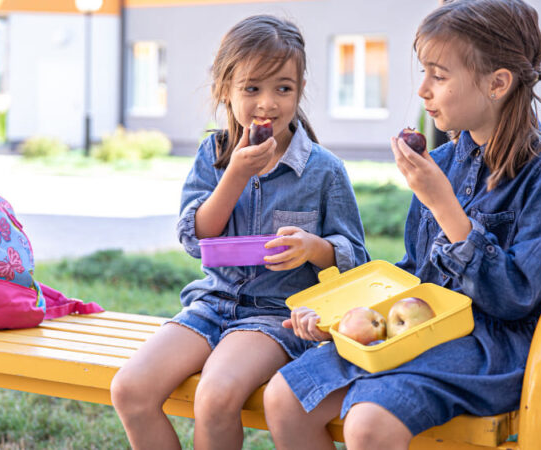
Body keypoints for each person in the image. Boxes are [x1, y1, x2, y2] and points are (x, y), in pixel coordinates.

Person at [263, 1, 541, 449]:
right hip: (420, 328)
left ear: (498, 83)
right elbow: (414, 273)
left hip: (499, 348)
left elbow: (516, 297)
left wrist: (445, 206)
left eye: (439, 76)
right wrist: (346, 318)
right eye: (423, 72)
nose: (422, 90)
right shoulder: (440, 163)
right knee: (286, 398)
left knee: (369, 424)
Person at [110, 14, 369, 450]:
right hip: (212, 304)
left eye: (283, 88)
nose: (268, 103)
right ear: (225, 91)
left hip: (275, 315)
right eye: (252, 88)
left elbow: (354, 257)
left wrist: (312, 247)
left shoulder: (323, 170)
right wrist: (234, 174)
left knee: (214, 397)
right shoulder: (212, 155)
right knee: (129, 389)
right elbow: (196, 238)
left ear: (299, 90)